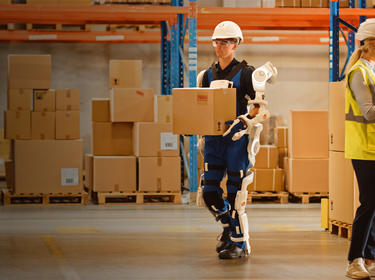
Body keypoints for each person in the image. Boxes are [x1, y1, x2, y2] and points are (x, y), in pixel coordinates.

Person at [198, 21, 259, 259]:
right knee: (209, 193)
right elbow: (198, 105)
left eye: (225, 42)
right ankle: (228, 226)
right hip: (213, 142)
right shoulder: (206, 76)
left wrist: (244, 120)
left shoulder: (247, 73)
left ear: (236, 44)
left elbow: (260, 107)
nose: (220, 46)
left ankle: (239, 243)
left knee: (236, 194)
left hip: (236, 141)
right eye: (217, 42)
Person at [345, 18, 375, 279]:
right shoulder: (358, 72)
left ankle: (370, 257)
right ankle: (354, 260)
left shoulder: (372, 70)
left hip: (374, 147)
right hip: (364, 149)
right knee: (369, 203)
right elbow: (368, 113)